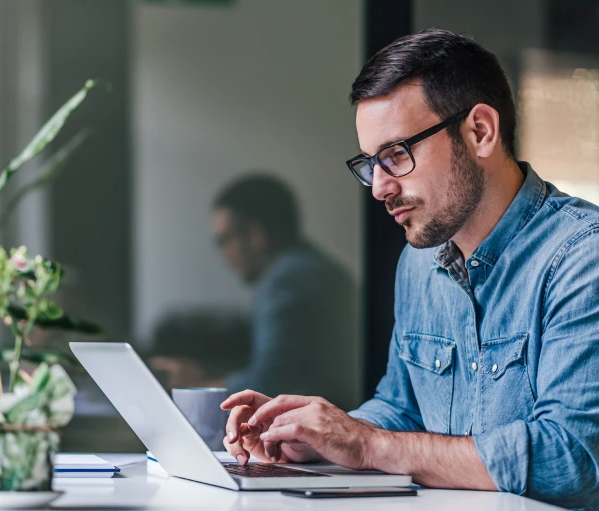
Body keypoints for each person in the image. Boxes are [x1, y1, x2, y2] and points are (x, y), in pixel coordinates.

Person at [221, 28, 599, 510]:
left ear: (480, 131)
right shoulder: (419, 262)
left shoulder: (581, 258)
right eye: (371, 163)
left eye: (397, 155)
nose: (379, 187)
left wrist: (369, 445)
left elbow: (573, 460)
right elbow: (402, 409)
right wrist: (320, 437)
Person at [211, 174, 358, 410]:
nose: (223, 255)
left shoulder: (285, 282)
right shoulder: (317, 268)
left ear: (255, 234)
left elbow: (270, 383)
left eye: (225, 240)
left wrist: (195, 384)